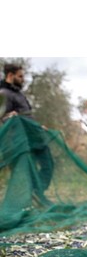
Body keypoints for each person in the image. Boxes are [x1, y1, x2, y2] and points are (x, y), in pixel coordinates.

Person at [0, 63, 54, 204]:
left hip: (34, 136)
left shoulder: (18, 93)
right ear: (10, 76)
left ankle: (36, 192)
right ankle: (30, 199)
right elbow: (3, 118)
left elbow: (26, 116)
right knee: (26, 172)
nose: (23, 79)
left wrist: (38, 126)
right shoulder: (3, 94)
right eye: (20, 76)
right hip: (20, 141)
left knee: (48, 164)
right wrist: (8, 117)